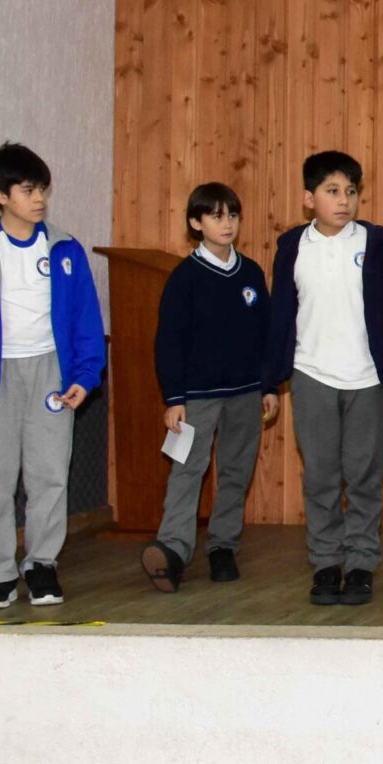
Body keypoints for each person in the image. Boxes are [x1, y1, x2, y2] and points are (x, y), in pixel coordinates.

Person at [0, 142, 104, 610]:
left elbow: (86, 319)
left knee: (49, 476)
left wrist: (85, 374)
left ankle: (41, 565)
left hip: (50, 372)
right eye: (28, 190)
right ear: (0, 195)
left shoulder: (65, 248)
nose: (39, 199)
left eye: (42, 190)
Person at [266, 151, 383, 607]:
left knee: (364, 475)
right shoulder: (292, 246)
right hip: (311, 374)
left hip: (367, 378)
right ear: (309, 198)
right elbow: (282, 313)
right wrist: (271, 380)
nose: (344, 200)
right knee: (321, 476)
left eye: (350, 191)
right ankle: (326, 562)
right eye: (332, 191)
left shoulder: (377, 244)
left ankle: (361, 562)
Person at [140, 183, 276, 592]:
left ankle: (223, 547)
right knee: (187, 470)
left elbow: (266, 335)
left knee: (236, 470)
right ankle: (173, 551)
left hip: (246, 392)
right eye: (216, 216)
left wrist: (269, 386)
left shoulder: (251, 273)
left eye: (232, 215)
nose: (227, 223)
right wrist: (174, 398)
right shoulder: (184, 278)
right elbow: (168, 341)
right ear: (196, 223)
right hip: (196, 398)